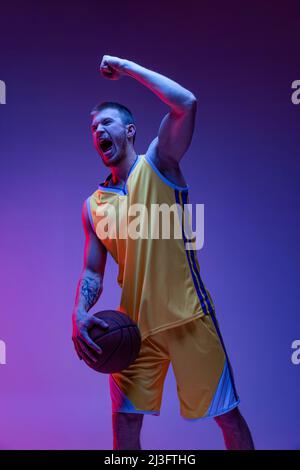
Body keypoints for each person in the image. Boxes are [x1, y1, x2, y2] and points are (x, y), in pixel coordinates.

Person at [72, 55, 255, 450]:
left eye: (107, 122)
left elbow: (186, 102)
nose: (98, 130)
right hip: (134, 329)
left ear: (130, 131)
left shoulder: (160, 163)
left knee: (228, 418)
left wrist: (126, 68)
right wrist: (79, 312)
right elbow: (92, 272)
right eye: (92, 127)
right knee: (124, 426)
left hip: (188, 317)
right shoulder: (93, 205)